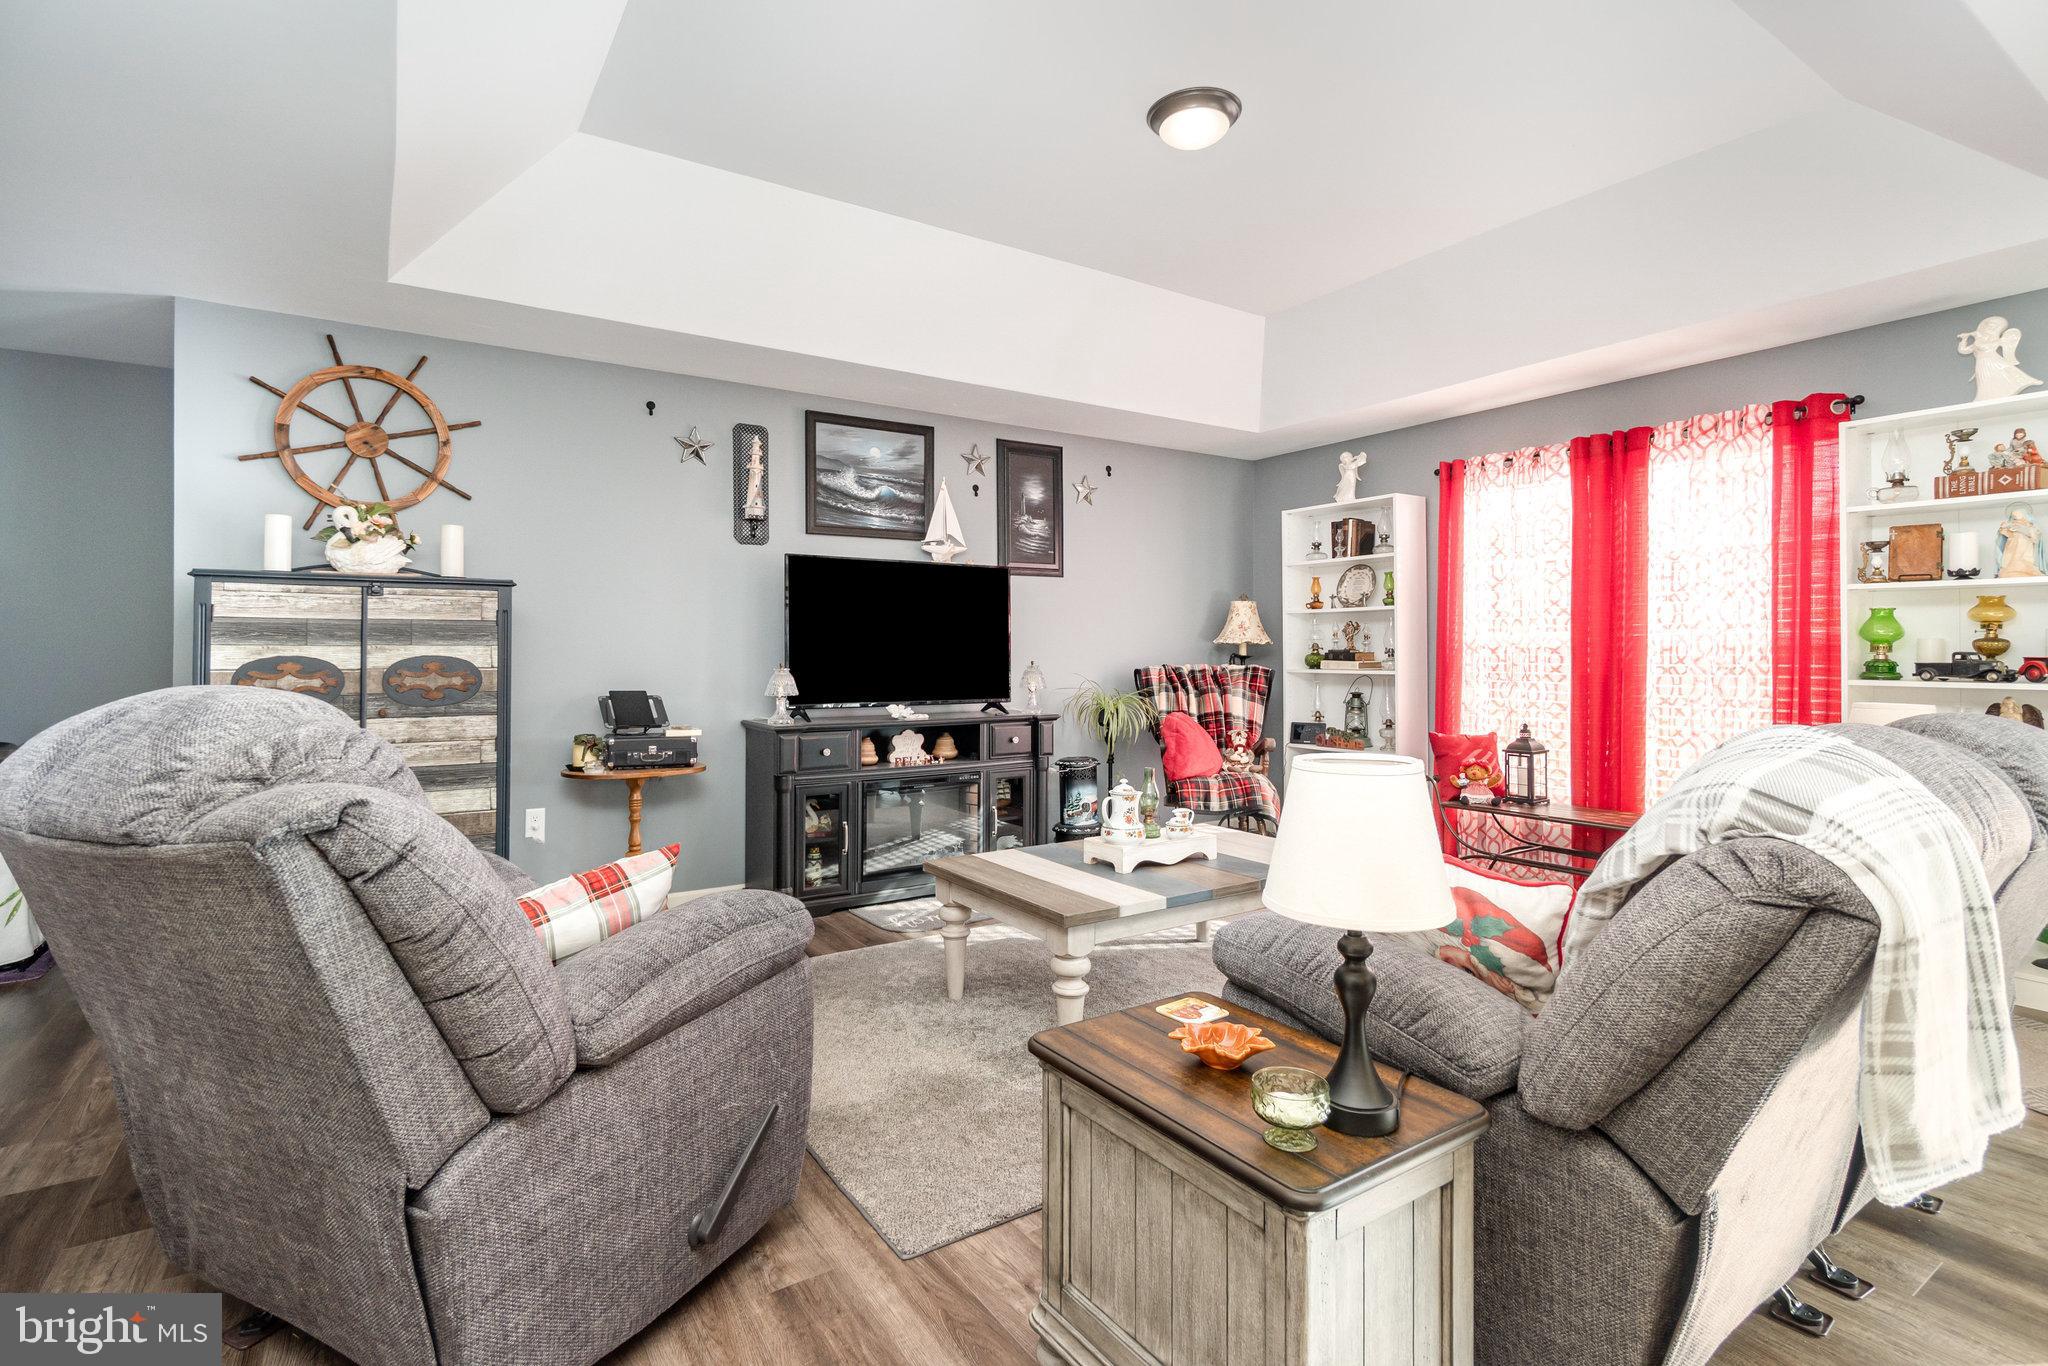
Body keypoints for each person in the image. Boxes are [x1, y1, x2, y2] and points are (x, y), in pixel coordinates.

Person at [1996, 504, 2046, 577]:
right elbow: (2004, 533)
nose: (2015, 519)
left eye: (2017, 516)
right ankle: (2011, 569)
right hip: (2012, 546)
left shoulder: (2030, 526)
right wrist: (2004, 527)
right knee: (2013, 557)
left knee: (2024, 558)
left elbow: (2034, 536)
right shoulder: (2011, 525)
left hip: (2025, 546)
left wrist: (2021, 529)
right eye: (2014, 517)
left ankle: (2025, 569)